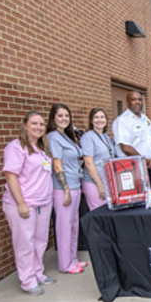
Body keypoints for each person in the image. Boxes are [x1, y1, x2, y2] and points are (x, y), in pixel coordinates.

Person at [3, 111, 56, 295]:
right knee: (25, 243)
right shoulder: (16, 147)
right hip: (24, 204)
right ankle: (27, 281)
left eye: (41, 124)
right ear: (25, 125)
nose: (38, 127)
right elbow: (11, 176)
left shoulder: (42, 149)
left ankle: (38, 273)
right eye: (34, 123)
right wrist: (21, 203)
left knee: (40, 241)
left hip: (43, 203)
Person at [47, 104, 85, 274]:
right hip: (64, 188)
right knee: (64, 226)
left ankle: (73, 259)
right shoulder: (53, 137)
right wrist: (66, 190)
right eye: (60, 115)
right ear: (53, 118)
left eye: (66, 116)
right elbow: (57, 165)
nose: (64, 119)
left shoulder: (67, 137)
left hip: (75, 184)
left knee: (73, 224)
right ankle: (65, 264)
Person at [112, 91, 151, 187]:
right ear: (127, 102)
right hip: (132, 170)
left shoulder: (146, 120)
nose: (137, 102)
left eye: (140, 99)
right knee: (135, 200)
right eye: (133, 99)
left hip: (148, 168)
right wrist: (144, 160)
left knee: (149, 198)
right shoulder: (122, 121)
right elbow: (125, 147)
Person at [81, 108, 115, 210]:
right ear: (91, 120)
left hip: (106, 182)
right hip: (94, 183)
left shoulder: (106, 137)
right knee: (98, 213)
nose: (99, 120)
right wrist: (100, 185)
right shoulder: (88, 137)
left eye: (102, 117)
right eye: (96, 117)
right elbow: (88, 163)